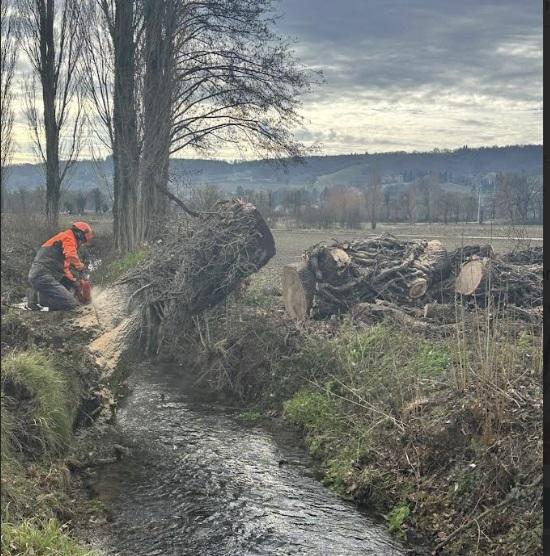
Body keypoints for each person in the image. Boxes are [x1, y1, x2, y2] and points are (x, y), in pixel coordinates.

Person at [27, 221, 94, 310]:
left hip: (41, 274)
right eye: (82, 240)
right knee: (70, 303)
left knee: (69, 286)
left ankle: (37, 297)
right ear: (80, 234)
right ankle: (39, 299)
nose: (81, 243)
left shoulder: (64, 238)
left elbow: (65, 268)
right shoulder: (68, 238)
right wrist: (79, 266)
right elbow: (71, 256)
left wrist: (74, 282)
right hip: (43, 275)